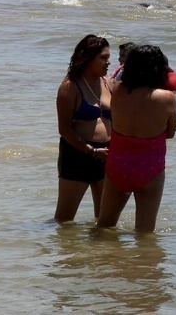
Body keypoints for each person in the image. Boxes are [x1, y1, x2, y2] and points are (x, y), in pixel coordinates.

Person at [97, 44, 176, 234]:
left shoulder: (116, 90)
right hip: (150, 168)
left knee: (104, 225)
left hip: (117, 164)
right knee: (145, 232)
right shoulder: (166, 98)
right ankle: (142, 263)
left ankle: (99, 261)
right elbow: (170, 133)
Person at [54, 34, 113, 222]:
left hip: (106, 155)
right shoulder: (70, 87)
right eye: (103, 57)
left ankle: (99, 252)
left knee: (105, 221)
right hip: (77, 156)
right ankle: (63, 251)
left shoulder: (109, 83)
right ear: (87, 58)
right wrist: (91, 151)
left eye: (108, 57)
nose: (108, 62)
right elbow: (64, 129)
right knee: (64, 220)